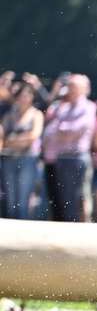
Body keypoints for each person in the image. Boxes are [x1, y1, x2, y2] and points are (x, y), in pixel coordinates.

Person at [42, 74, 96, 221]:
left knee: (78, 197)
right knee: (62, 199)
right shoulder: (63, 107)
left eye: (73, 86)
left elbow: (78, 129)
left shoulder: (89, 107)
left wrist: (62, 130)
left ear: (84, 89)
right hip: (62, 158)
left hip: (77, 158)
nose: (69, 89)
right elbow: (51, 130)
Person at [0, 82, 43, 218]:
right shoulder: (9, 115)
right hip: (8, 159)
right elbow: (3, 139)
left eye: (27, 95)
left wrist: (12, 141)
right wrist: (19, 141)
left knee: (23, 199)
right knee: (11, 199)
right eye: (21, 95)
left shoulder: (36, 114)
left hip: (28, 160)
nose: (24, 98)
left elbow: (33, 136)